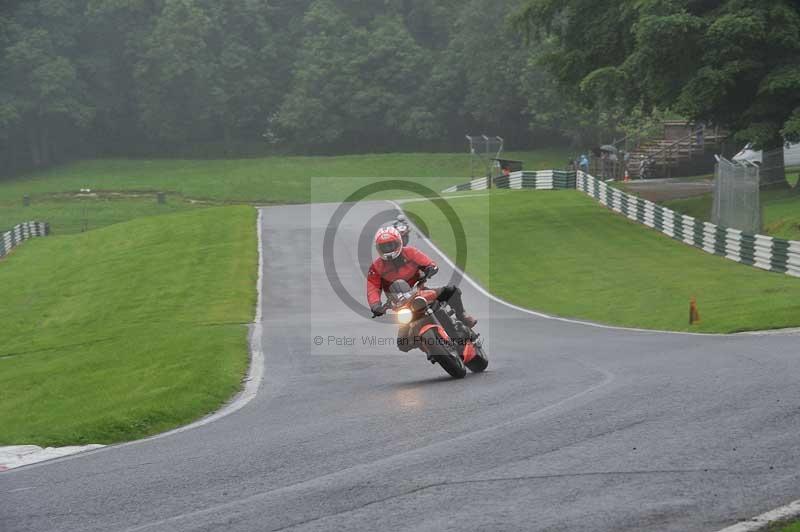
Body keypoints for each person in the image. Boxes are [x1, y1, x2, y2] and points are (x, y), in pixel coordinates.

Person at [367, 227, 476, 351]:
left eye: (390, 245)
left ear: (398, 243)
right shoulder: (376, 267)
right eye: (384, 247)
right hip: (400, 304)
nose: (388, 249)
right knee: (403, 344)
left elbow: (427, 262)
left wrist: (430, 268)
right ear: (378, 248)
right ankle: (428, 345)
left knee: (451, 291)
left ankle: (462, 316)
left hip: (420, 292)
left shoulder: (410, 252)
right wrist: (375, 305)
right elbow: (372, 288)